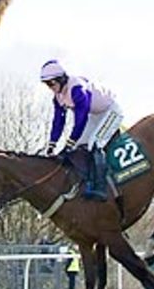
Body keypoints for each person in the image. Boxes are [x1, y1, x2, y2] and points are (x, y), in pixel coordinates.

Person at [40, 60, 124, 199]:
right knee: (78, 147)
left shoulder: (77, 89)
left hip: (110, 111)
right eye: (46, 84)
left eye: (51, 83)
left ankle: (101, 187)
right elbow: (58, 121)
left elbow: (81, 119)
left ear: (61, 79)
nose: (50, 87)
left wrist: (70, 141)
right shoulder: (58, 96)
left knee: (94, 144)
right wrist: (52, 144)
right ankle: (84, 183)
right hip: (94, 114)